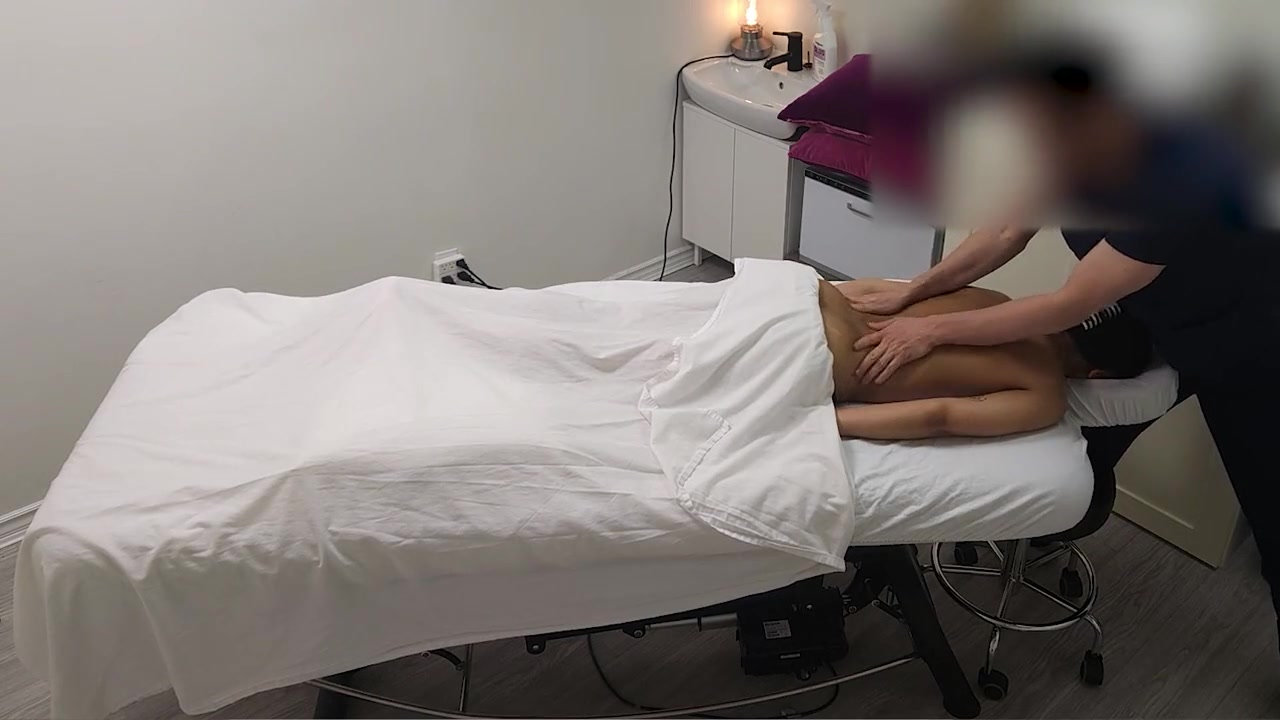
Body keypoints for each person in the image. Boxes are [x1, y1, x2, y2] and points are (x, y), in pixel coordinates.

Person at [848, 49, 1280, 646]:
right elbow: (1006, 230)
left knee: (1269, 503)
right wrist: (916, 290)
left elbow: (1068, 303)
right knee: (1087, 440)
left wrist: (929, 330)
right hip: (1152, 303)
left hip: (1250, 341)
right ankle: (1046, 529)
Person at [819, 278, 1151, 440]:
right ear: (1098, 375)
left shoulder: (996, 298)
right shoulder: (1045, 395)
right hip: (826, 356)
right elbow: (939, 416)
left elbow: (873, 290)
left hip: (812, 291)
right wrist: (826, 423)